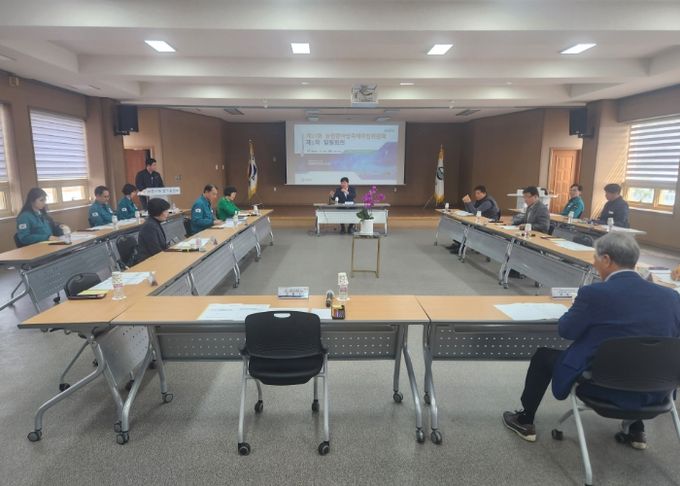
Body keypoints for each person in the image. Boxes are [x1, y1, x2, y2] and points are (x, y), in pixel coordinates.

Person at [502, 233, 680, 449]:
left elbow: (566, 330)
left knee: (543, 356)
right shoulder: (671, 297)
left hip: (601, 385)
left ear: (606, 260)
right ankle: (636, 429)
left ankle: (525, 420)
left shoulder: (594, 293)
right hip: (655, 389)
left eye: (595, 258)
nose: (594, 264)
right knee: (641, 356)